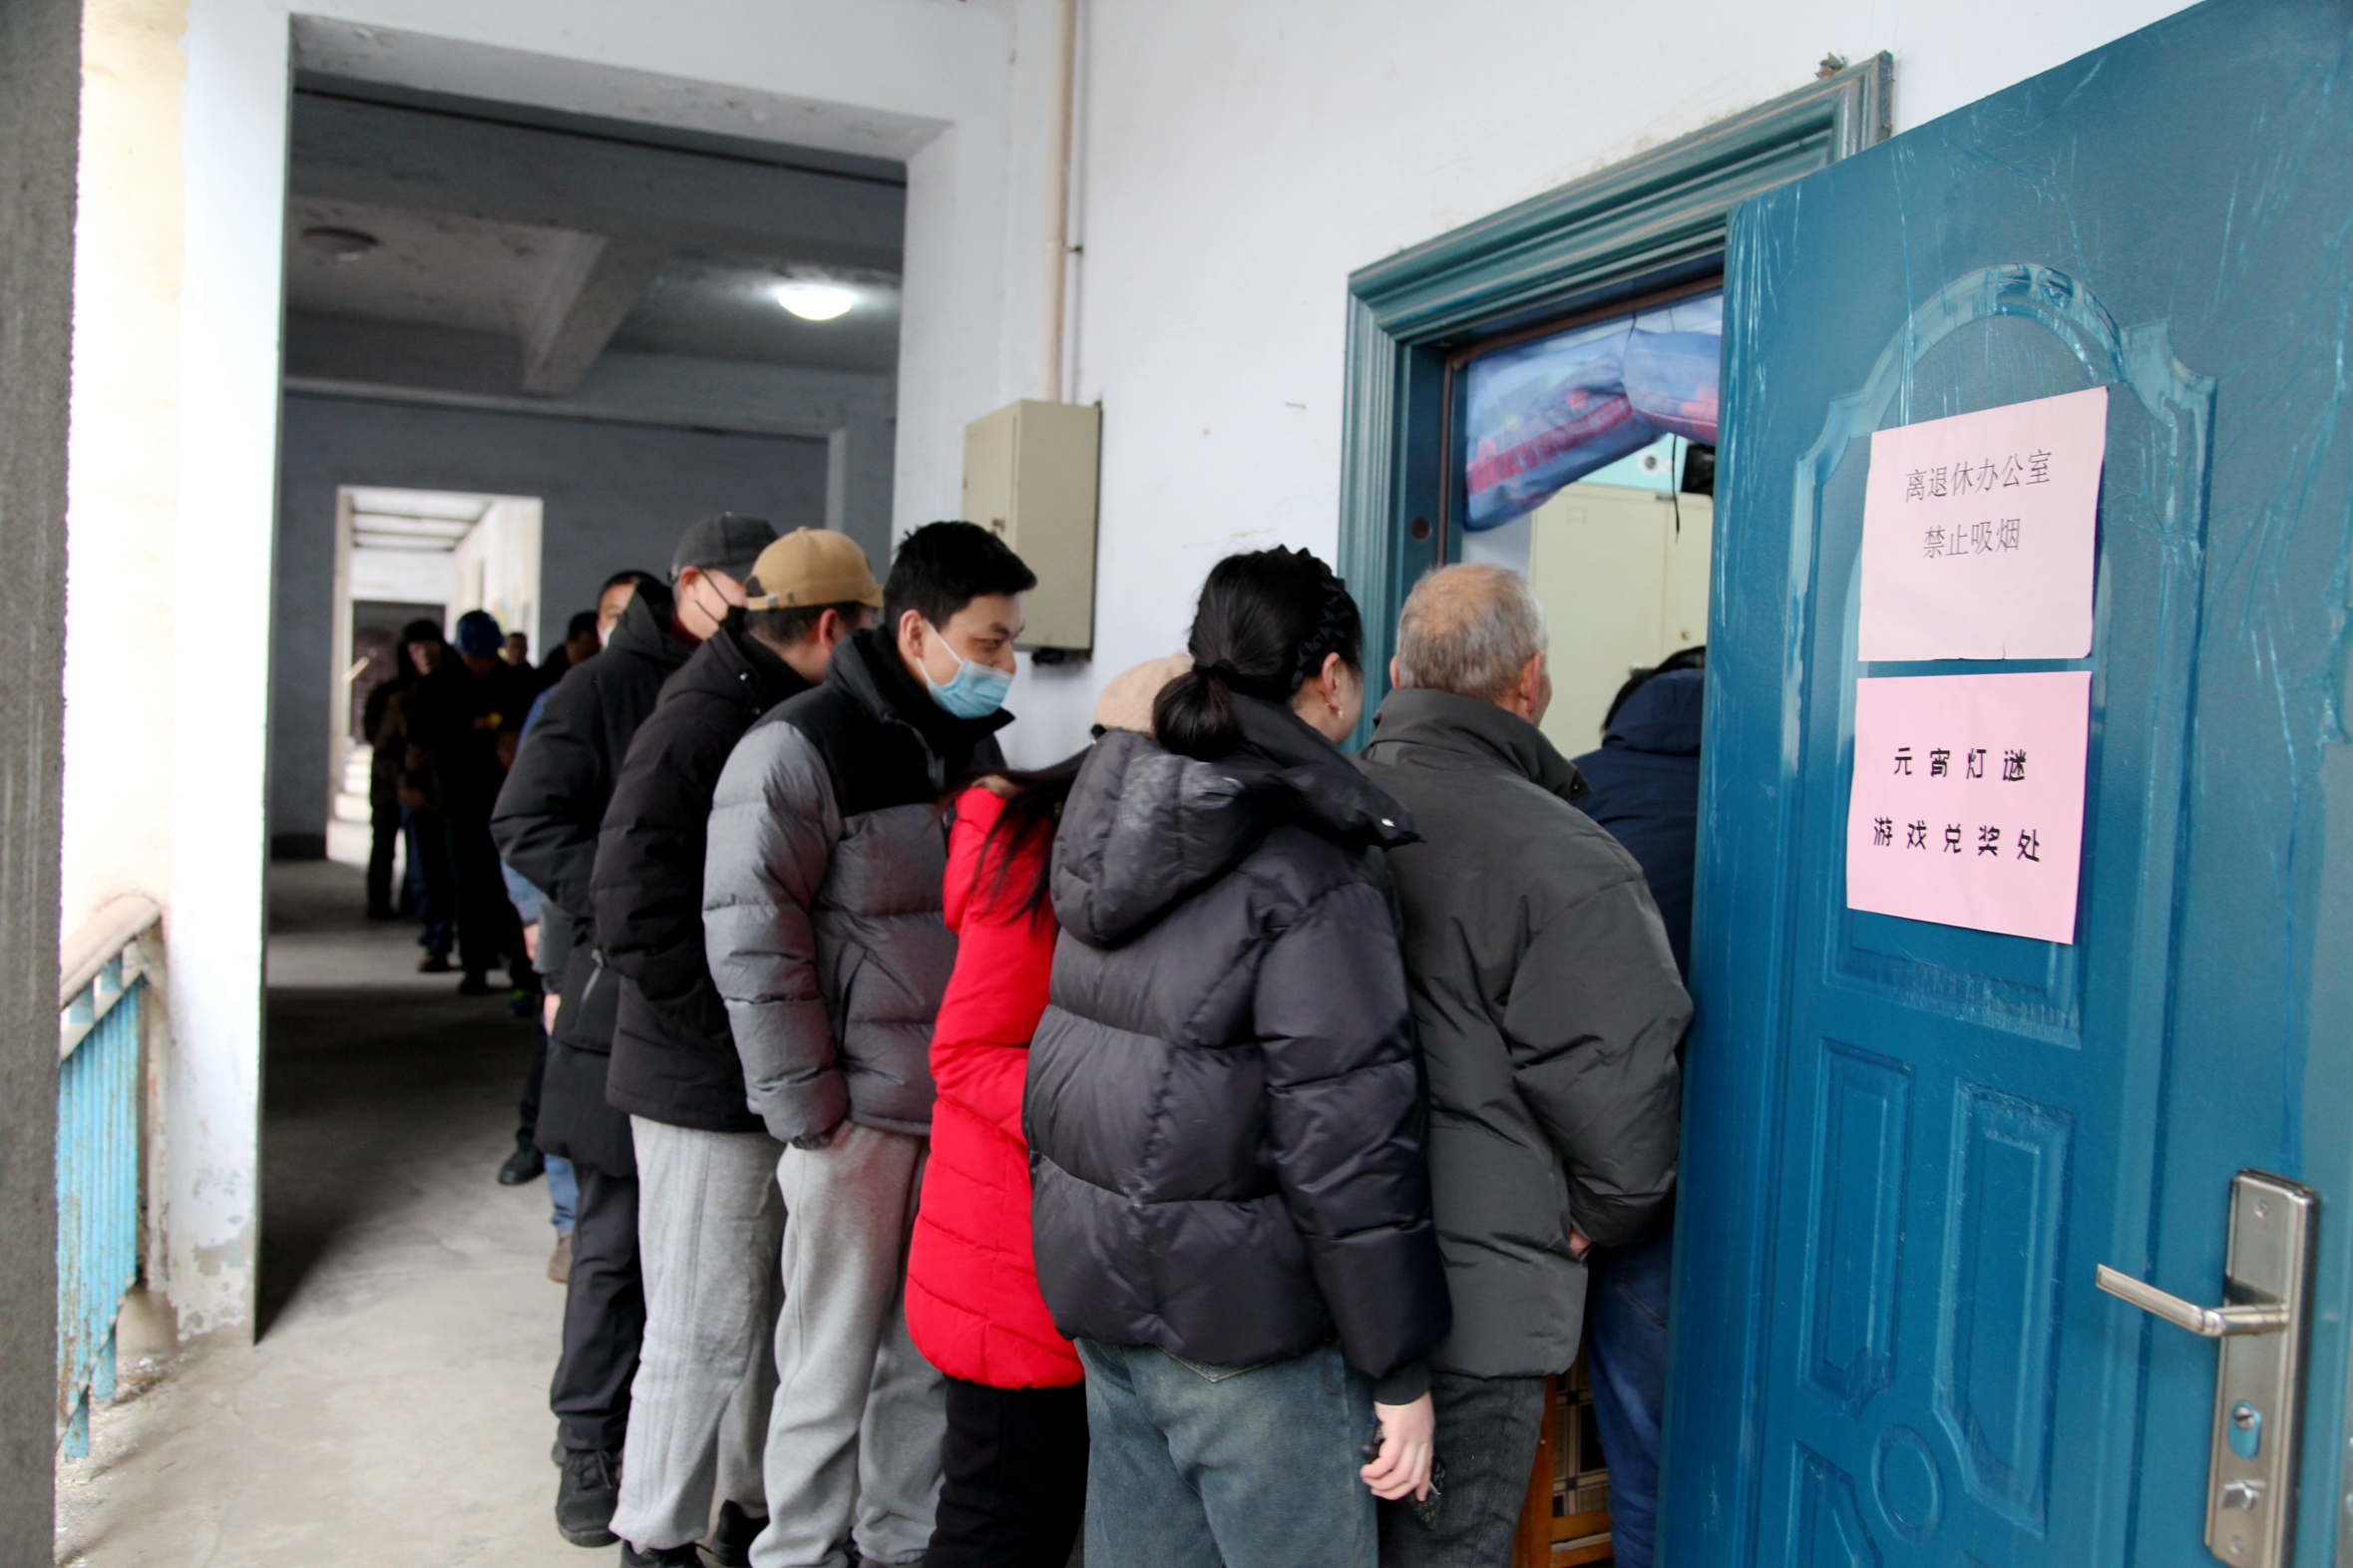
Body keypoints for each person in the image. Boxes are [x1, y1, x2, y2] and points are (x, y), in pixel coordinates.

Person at [1025, 546, 1449, 1568]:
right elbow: (1346, 1139)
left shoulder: (1113, 812)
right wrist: (1399, 1370)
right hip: (1246, 1334)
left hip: (1107, 1301)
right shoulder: (1311, 860)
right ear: (1333, 678)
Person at [705, 520, 1036, 1568]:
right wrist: (810, 1109)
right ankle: (798, 1548)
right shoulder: (797, 747)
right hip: (854, 1114)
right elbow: (751, 935)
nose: (1004, 665)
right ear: (915, 632)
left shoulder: (972, 748)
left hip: (955, 1111)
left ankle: (895, 1542)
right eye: (987, 643)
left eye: (1011, 643)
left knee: (925, 1355)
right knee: (828, 1355)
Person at [1355, 565, 1688, 1568]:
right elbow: (1621, 1094)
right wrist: (1598, 1216)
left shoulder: (1322, 807)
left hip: (1328, 1282)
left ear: (1399, 674)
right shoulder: (1568, 856)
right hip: (1481, 1303)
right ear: (1531, 680)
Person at [592, 529, 883, 1568]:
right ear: (829, 626)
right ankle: (653, 1536)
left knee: (759, 1316)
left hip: (755, 1072)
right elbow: (630, 912)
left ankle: (743, 1511)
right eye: (868, 630)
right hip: (699, 1081)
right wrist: (748, 1034)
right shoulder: (704, 718)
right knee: (699, 1324)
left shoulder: (766, 703)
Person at [493, 514, 774, 1550]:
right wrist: (623, 906)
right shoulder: (604, 687)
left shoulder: (758, 684)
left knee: (718, 1273)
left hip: (716, 1001)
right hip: (621, 992)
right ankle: (587, 1439)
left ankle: (714, 1482)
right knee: (612, 1243)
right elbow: (525, 821)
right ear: (691, 582)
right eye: (742, 592)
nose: (756, 613)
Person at [1563, 646, 1702, 1568]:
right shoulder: (1790, 805)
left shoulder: (1575, 795)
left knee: (1644, 1466)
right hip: (1771, 1187)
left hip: (1622, 1185)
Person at [407, 608, 536, 996]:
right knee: (467, 885)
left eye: (487, 656)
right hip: (459, 801)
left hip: (507, 799)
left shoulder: (513, 680)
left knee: (509, 885)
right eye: (474, 657)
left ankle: (521, 970)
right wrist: (469, 727)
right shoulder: (437, 686)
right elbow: (419, 732)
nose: (482, 664)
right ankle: (474, 966)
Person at [390, 619, 458, 971]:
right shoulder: (401, 695)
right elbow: (386, 745)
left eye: (429, 645)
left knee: (460, 872)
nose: (424, 654)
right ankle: (436, 942)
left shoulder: (459, 687)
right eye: (416, 648)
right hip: (419, 798)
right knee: (426, 875)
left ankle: (473, 942)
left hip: (458, 795)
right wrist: (402, 783)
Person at [361, 631, 426, 920]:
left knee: (413, 849)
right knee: (385, 845)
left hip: (411, 782)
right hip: (388, 782)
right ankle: (380, 901)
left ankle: (407, 901)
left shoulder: (426, 692)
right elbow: (374, 735)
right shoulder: (387, 695)